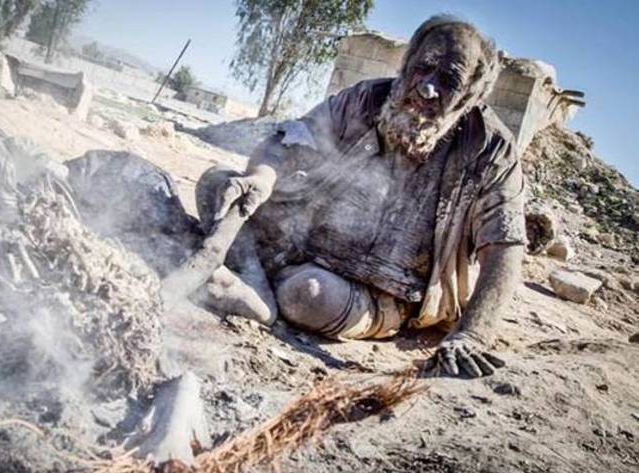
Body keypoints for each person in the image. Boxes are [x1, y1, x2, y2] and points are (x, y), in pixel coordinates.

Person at [196, 15, 526, 378]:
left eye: (448, 81)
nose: (427, 89)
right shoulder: (365, 98)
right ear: (406, 64)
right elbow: (289, 139)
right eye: (423, 69)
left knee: (305, 295)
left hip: (376, 294)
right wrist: (260, 177)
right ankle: (253, 277)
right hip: (297, 242)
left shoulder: (490, 149)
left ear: (470, 96)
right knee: (218, 184)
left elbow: (505, 249)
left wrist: (472, 336)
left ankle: (256, 286)